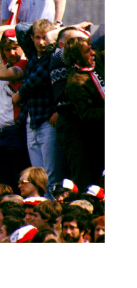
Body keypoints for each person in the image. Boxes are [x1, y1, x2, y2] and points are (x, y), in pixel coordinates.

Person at [11, 19, 60, 197]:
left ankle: (51, 210)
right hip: (32, 120)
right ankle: (38, 209)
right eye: (37, 37)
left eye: (44, 38)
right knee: (36, 176)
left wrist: (55, 32)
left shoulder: (52, 56)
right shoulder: (33, 54)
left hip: (46, 119)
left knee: (50, 174)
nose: (41, 42)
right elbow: (20, 28)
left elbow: (35, 81)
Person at [0, 26, 30, 191]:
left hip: (16, 131)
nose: (12, 53)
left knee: (17, 180)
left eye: (15, 48)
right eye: (7, 49)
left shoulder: (24, 64)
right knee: (4, 181)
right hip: (0, 133)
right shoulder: (2, 64)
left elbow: (1, 74)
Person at [63, 36, 105, 185]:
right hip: (96, 137)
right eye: (87, 51)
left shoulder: (97, 60)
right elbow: (87, 115)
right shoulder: (75, 82)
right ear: (76, 57)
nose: (92, 53)